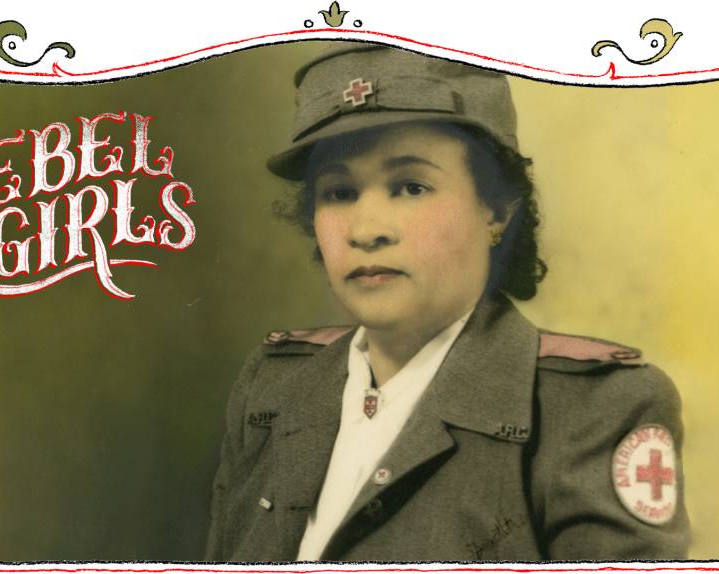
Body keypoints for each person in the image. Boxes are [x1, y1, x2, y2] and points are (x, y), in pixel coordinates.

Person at [205, 42, 689, 562]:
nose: (365, 231)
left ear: (497, 211)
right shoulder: (273, 384)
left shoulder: (594, 407)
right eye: (339, 193)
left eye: (411, 187)